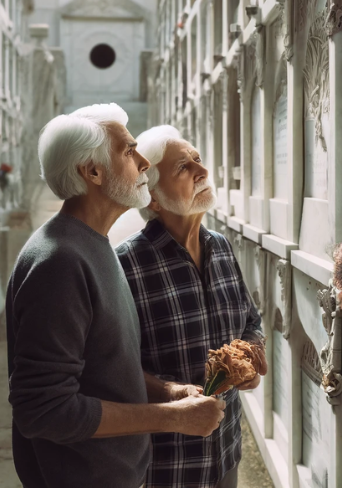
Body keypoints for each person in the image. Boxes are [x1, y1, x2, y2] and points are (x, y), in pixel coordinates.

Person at [6, 105, 225, 488]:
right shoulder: (59, 262)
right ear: (93, 172)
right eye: (128, 152)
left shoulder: (94, 244)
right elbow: (45, 411)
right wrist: (173, 417)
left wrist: (166, 390)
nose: (144, 163)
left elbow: (104, 368)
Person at [116, 125, 267, 488]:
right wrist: (172, 393)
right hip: (168, 463)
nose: (202, 172)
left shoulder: (222, 247)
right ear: (152, 196)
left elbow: (250, 319)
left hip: (226, 448)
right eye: (183, 168)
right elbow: (113, 372)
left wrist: (251, 355)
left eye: (198, 160)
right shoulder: (125, 265)